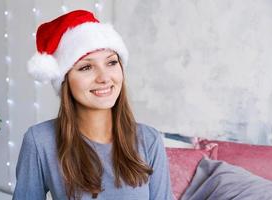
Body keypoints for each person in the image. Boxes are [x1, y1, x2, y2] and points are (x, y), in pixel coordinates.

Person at [12, 10, 173, 200]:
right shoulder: (40, 141)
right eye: (86, 67)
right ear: (65, 80)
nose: (104, 78)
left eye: (111, 62)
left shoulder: (148, 139)